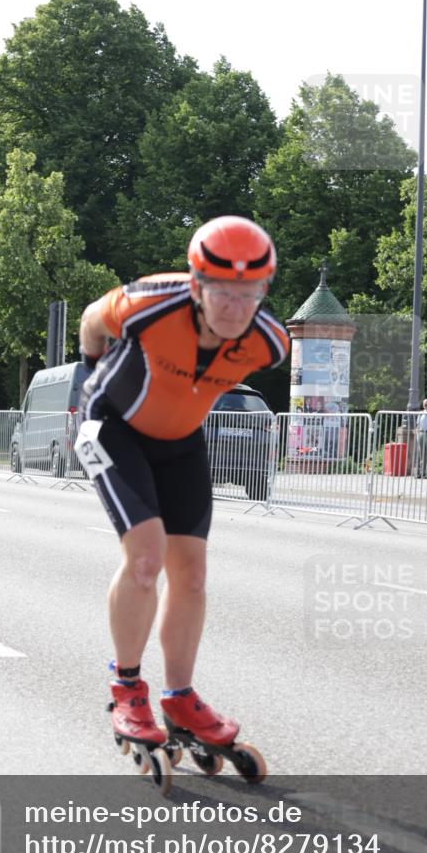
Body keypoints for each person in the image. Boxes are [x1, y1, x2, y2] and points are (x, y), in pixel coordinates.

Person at [76, 215, 290, 751]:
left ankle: (179, 696)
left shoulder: (269, 342)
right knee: (145, 556)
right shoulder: (147, 302)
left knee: (191, 574)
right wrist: (90, 373)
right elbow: (90, 322)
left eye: (251, 293)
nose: (237, 307)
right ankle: (126, 688)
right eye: (223, 292)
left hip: (182, 442)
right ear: (197, 286)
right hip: (114, 426)